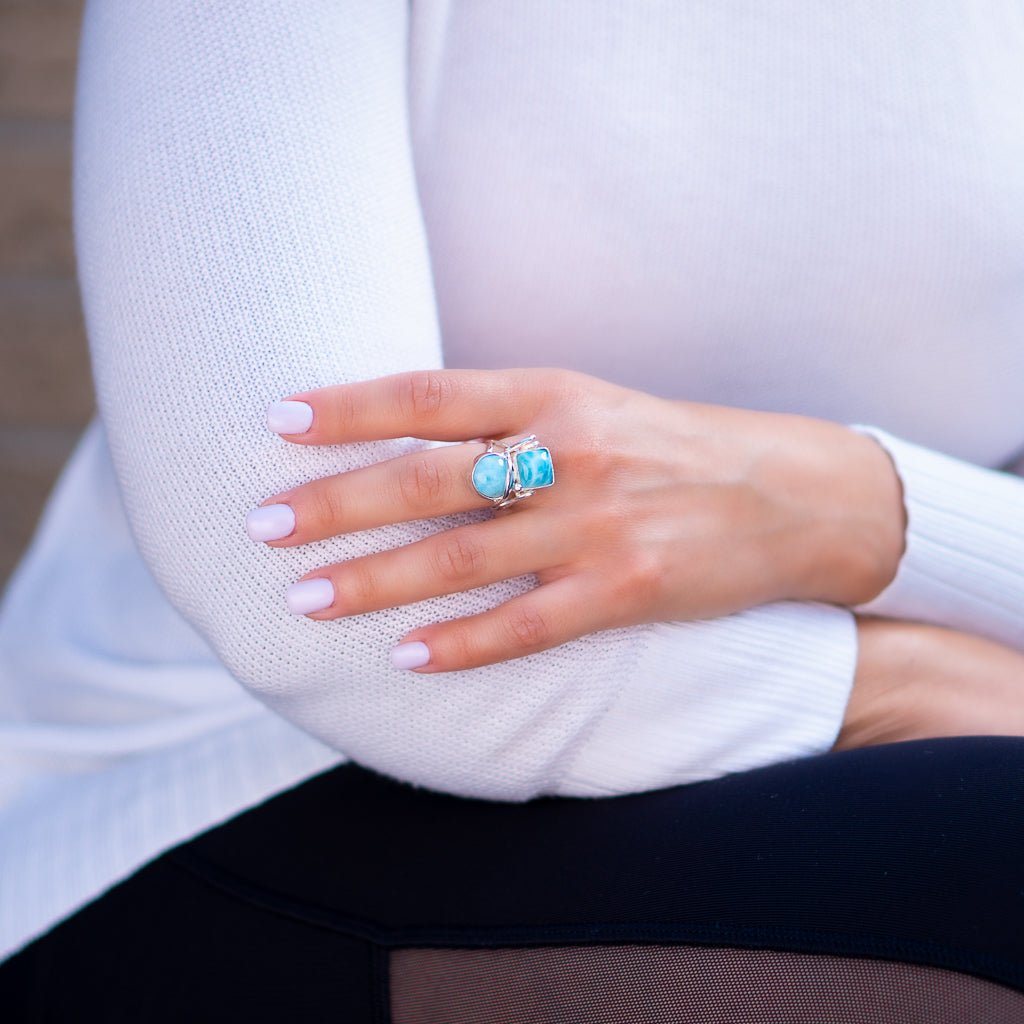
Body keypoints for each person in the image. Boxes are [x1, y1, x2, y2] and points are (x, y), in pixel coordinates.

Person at [1, 1, 1023, 1018]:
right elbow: (316, 596)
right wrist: (895, 682)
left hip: (830, 761)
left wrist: (854, 506)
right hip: (229, 784)